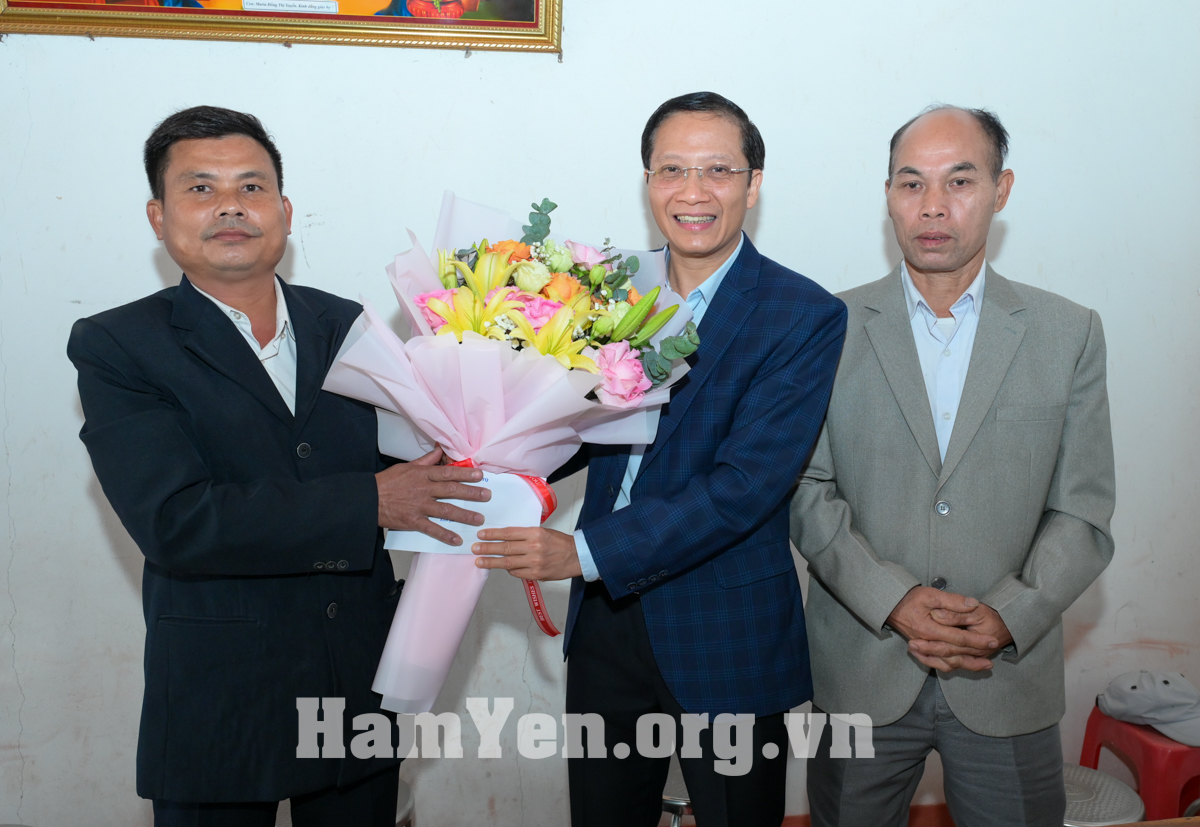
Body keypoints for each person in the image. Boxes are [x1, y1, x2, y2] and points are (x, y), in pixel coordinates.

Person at [67, 105, 490, 826]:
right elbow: (176, 520)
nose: (231, 205)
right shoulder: (119, 344)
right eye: (200, 188)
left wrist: (564, 393)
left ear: (285, 212)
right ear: (158, 216)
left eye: (252, 187)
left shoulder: (348, 324)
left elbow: (435, 450)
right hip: (220, 700)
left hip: (358, 689)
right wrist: (369, 503)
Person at [474, 92, 847, 826]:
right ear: (648, 182)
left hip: (724, 624)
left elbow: (745, 486)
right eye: (672, 169)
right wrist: (482, 449)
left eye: (718, 170)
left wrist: (582, 552)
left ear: (753, 184)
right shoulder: (604, 291)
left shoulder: (801, 314)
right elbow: (571, 427)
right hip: (606, 621)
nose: (692, 191)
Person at [790, 105, 1116, 827]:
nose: (933, 206)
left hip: (1005, 674)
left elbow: (1083, 509)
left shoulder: (1068, 333)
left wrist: (1008, 615)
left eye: (960, 181)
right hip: (862, 666)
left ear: (1002, 190)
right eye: (912, 184)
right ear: (888, 196)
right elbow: (807, 491)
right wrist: (893, 600)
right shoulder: (826, 329)